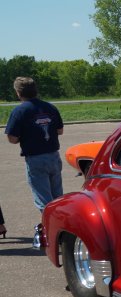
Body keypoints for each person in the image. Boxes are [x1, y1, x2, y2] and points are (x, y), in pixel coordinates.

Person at [4, 77, 64, 212]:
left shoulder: (19, 111)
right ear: (35, 90)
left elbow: (12, 138)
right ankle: (62, 228)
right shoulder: (50, 107)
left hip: (35, 159)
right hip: (54, 156)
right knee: (58, 198)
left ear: (18, 93)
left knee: (44, 201)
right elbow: (60, 131)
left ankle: (50, 229)